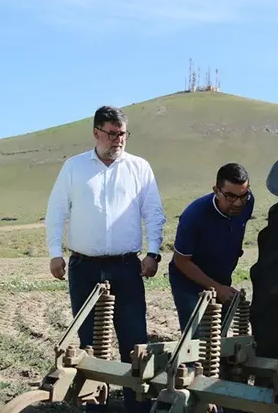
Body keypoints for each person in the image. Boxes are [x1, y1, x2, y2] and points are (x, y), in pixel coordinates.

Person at [45, 105, 166, 412]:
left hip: (126, 266)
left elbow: (153, 212)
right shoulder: (74, 167)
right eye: (111, 134)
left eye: (122, 134)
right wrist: (54, 253)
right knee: (87, 343)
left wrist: (153, 252)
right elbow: (57, 211)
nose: (118, 141)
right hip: (84, 267)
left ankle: (135, 405)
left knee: (134, 341)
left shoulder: (139, 168)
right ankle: (94, 405)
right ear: (96, 133)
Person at [167, 163, 255, 334]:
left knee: (216, 339)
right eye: (230, 196)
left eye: (243, 195)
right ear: (216, 190)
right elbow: (181, 261)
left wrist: (221, 287)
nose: (238, 203)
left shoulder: (248, 202)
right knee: (197, 343)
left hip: (221, 278)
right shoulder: (194, 216)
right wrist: (217, 288)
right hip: (189, 284)